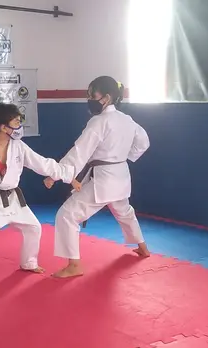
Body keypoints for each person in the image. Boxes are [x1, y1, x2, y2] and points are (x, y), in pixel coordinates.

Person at [0, 103, 78, 296]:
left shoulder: (19, 146)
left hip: (12, 198)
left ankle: (29, 262)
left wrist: (68, 176)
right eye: (17, 122)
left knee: (34, 227)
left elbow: (43, 164)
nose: (20, 126)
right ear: (4, 127)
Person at [44, 76, 151, 278]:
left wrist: (56, 174)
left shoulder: (99, 122)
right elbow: (143, 142)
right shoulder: (126, 119)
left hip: (104, 179)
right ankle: (143, 247)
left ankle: (74, 265)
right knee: (124, 212)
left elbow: (79, 152)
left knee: (67, 215)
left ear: (106, 98)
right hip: (120, 174)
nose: (89, 99)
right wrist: (124, 156)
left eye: (92, 95)